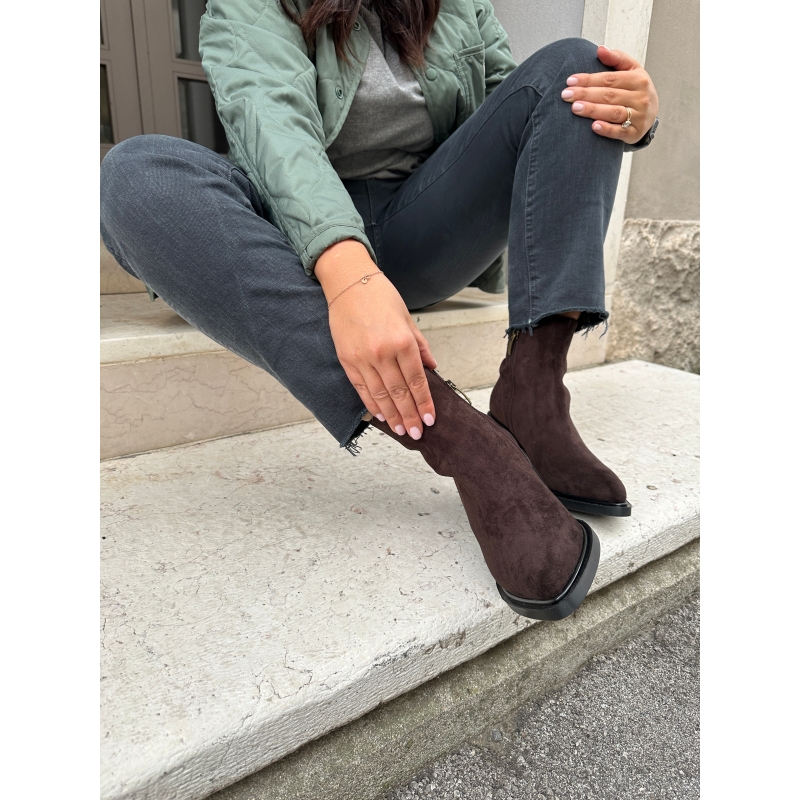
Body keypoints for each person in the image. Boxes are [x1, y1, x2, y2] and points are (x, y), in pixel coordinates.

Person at [100, 0, 659, 621]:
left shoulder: (458, 7)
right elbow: (272, 127)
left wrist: (632, 114)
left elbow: (522, 110)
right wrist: (346, 275)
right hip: (293, 244)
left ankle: (534, 396)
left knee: (580, 72)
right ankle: (469, 444)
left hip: (423, 229)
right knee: (136, 175)